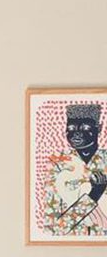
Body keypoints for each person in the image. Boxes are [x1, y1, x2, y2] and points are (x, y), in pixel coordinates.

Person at [44, 101, 107, 237]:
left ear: (99, 128)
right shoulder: (58, 163)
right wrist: (95, 194)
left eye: (85, 128)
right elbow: (53, 229)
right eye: (71, 128)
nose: (77, 134)